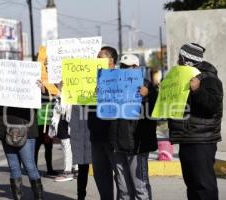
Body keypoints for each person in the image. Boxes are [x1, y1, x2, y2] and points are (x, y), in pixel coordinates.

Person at [168, 43, 223, 200]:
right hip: (186, 138)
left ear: (188, 60)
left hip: (202, 141)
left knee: (204, 187)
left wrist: (198, 90)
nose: (178, 60)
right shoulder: (180, 78)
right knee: (192, 186)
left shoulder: (210, 79)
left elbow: (212, 106)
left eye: (180, 57)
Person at [109, 54, 158, 200]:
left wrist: (147, 95)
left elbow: (156, 111)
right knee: (123, 189)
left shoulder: (147, 86)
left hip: (136, 145)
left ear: (136, 68)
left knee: (140, 188)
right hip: (117, 144)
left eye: (128, 67)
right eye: (122, 67)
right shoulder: (113, 85)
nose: (124, 70)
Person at [87, 46, 119, 200]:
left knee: (119, 175)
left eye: (99, 57)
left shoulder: (120, 78)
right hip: (96, 135)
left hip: (113, 136)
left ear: (111, 61)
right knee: (100, 174)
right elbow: (83, 104)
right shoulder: (91, 78)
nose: (96, 60)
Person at [69, 105, 92, 200]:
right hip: (81, 138)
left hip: (95, 136)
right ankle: (81, 196)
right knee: (83, 168)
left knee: (101, 170)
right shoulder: (75, 105)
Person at [35, 91, 57, 176]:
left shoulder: (50, 90)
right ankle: (34, 170)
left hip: (48, 123)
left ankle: (50, 169)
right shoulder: (36, 91)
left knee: (48, 147)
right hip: (38, 124)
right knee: (35, 148)